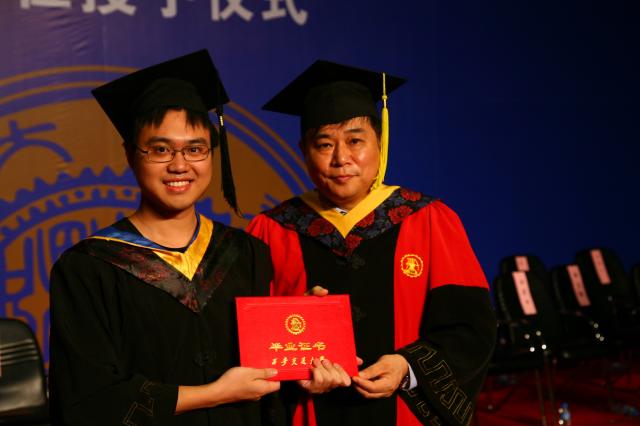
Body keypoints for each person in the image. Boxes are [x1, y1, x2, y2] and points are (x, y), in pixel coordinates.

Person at [247, 60, 497, 426]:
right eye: (324, 144)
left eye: (355, 141)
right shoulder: (270, 230)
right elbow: (251, 345)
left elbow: (471, 329)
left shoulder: (428, 219)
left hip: (405, 413)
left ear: (380, 142)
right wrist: (295, 353)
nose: (341, 159)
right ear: (303, 150)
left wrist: (407, 367)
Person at [48, 50, 283, 425]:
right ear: (130, 154)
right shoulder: (88, 268)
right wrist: (216, 393)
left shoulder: (246, 253)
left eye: (195, 149)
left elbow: (274, 385)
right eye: (160, 149)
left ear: (212, 154)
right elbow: (85, 400)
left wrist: (309, 335)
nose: (179, 165)